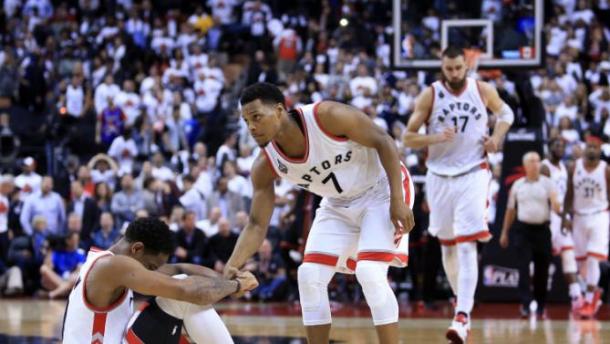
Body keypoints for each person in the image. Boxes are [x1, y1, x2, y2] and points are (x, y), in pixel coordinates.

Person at [224, 82, 415, 344]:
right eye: (246, 121)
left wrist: (397, 198)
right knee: (309, 275)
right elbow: (257, 225)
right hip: (337, 203)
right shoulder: (264, 164)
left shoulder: (326, 116)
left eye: (256, 117)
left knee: (370, 273)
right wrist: (233, 265)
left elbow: (384, 140)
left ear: (279, 110)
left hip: (380, 190)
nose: (252, 127)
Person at [403, 46, 514, 343]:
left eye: (458, 68)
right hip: (439, 176)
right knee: (448, 247)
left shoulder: (482, 89)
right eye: (448, 68)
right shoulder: (430, 95)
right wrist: (435, 137)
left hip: (473, 172)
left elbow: (507, 112)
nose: (453, 73)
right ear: (442, 68)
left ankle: (462, 316)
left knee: (466, 245)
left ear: (466, 66)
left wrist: (497, 138)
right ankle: (460, 300)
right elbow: (407, 137)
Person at [62, 217, 258, 343]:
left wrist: (225, 279)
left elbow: (180, 268)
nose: (153, 272)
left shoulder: (107, 261)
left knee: (186, 325)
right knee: (182, 298)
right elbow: (184, 289)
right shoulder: (114, 266)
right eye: (151, 267)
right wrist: (236, 286)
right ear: (137, 249)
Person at [499, 152, 561, 318]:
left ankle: (540, 305)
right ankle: (525, 304)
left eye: (538, 161)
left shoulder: (548, 184)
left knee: (542, 270)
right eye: (532, 161)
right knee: (523, 268)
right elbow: (510, 210)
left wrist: (557, 206)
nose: (536, 164)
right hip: (523, 231)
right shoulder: (518, 185)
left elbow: (555, 202)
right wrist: (504, 232)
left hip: (542, 230)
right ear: (525, 165)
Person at [562, 135, 610, 319]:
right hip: (579, 217)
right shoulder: (574, 167)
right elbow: (569, 194)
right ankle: (590, 294)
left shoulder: (606, 169)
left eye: (595, 147)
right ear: (584, 148)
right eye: (589, 147)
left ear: (600, 150)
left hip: (599, 215)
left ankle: (590, 298)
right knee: (581, 261)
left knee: (593, 258)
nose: (591, 150)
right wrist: (566, 216)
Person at [539, 138, 584, 312]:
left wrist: (567, 214)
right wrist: (561, 215)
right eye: (557, 145)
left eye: (563, 146)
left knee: (568, 254)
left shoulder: (564, 167)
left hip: (561, 217)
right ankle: (536, 297)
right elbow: (545, 196)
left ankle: (576, 296)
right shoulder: (544, 167)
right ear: (549, 148)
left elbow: (567, 195)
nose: (560, 148)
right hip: (548, 217)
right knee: (542, 259)